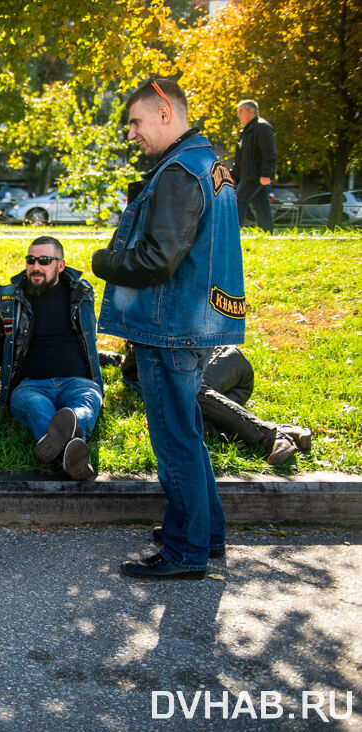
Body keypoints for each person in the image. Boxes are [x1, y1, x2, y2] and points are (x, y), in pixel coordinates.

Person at [92, 78, 246, 581]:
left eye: (135, 121)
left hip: (170, 326)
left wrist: (105, 261)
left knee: (175, 439)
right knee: (190, 433)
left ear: (164, 111)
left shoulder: (179, 171)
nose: (131, 134)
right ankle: (207, 532)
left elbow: (158, 259)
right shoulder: (210, 164)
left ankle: (185, 551)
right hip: (195, 322)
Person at [0, 236, 104, 480]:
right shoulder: (9, 298)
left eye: (44, 260)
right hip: (30, 386)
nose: (36, 267)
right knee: (34, 406)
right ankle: (72, 455)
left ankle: (65, 447)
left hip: (78, 382)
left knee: (84, 405)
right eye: (31, 260)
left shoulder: (81, 293)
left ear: (60, 266)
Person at [121, 344, 311, 465]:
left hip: (225, 360)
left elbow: (135, 362)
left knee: (187, 391)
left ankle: (270, 435)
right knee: (185, 420)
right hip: (225, 389)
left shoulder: (148, 335)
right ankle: (286, 431)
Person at [231, 99, 277, 233]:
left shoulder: (262, 128)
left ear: (251, 111)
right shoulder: (246, 131)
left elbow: (269, 153)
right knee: (261, 206)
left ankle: (232, 232)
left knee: (238, 202)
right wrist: (233, 174)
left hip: (255, 176)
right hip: (249, 175)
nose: (238, 115)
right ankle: (267, 233)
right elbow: (240, 157)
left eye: (241, 111)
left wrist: (266, 174)